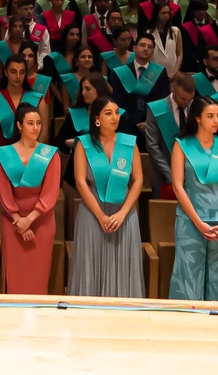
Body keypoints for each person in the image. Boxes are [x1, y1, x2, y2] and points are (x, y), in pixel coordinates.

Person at [68, 96, 145, 297]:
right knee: (90, 266)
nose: (115, 117)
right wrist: (101, 216)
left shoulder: (129, 143)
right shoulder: (83, 144)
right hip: (93, 214)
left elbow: (137, 181)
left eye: (117, 112)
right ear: (97, 119)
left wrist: (123, 213)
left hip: (123, 215)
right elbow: (80, 182)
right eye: (108, 113)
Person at [168, 95, 218, 301]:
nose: (216, 120)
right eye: (210, 116)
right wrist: (199, 223)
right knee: (188, 274)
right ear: (198, 118)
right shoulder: (182, 144)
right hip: (190, 220)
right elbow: (177, 185)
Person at [0, 103, 60, 294]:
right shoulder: (5, 154)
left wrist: (29, 220)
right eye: (30, 123)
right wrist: (18, 221)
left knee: (38, 276)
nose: (36, 127)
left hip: (41, 221)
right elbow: (4, 192)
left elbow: (50, 191)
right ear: (20, 126)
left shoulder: (50, 155)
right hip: (12, 222)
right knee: (15, 276)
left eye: (38, 123)